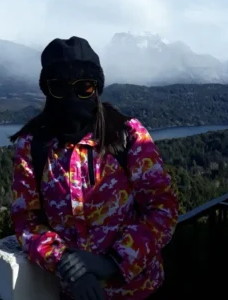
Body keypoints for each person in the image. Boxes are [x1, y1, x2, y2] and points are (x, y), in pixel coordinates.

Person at [9, 36, 179, 300]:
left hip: (140, 292)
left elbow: (162, 208)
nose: (71, 97)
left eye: (84, 86)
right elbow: (27, 221)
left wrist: (113, 261)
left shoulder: (127, 135)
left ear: (97, 88)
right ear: (46, 89)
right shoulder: (33, 146)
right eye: (59, 87)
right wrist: (67, 264)